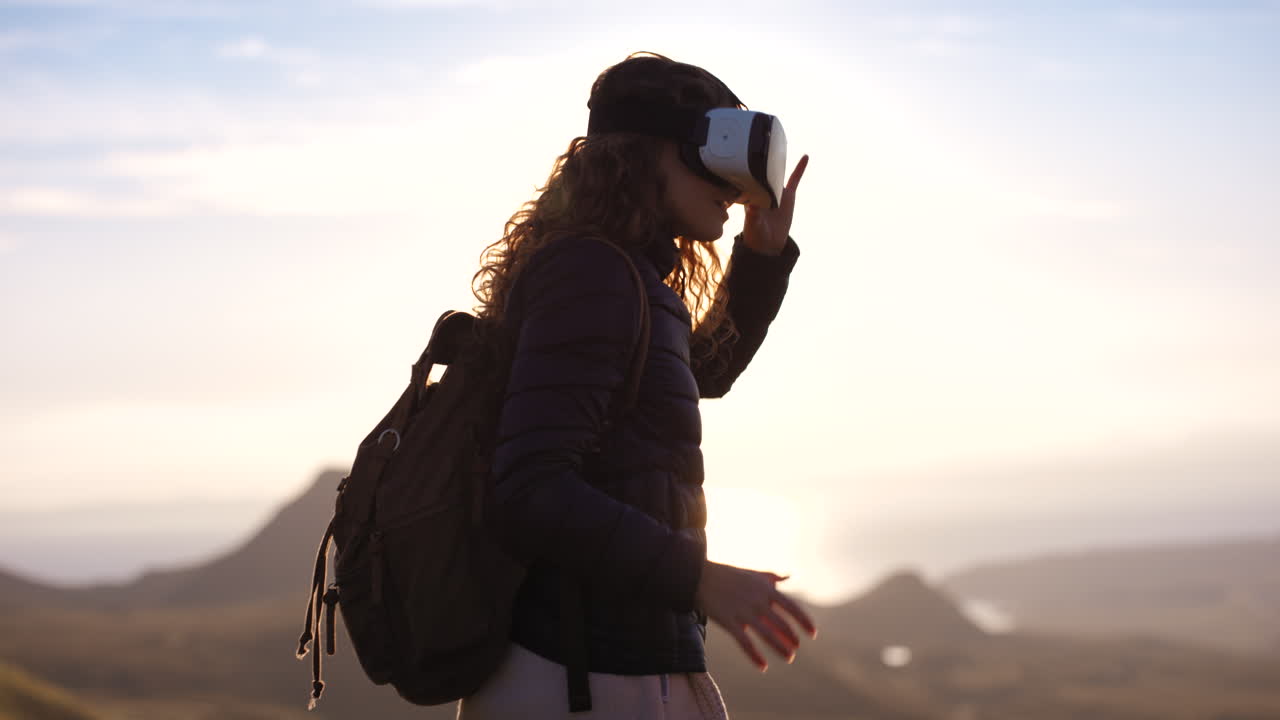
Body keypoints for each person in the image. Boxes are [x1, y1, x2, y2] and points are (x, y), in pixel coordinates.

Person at [458, 52, 816, 719]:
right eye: (716, 156)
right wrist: (698, 579)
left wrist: (760, 261)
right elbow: (530, 487)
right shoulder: (589, 272)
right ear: (648, 153)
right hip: (576, 678)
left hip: (609, 670)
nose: (739, 190)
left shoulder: (625, 275)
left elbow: (699, 376)